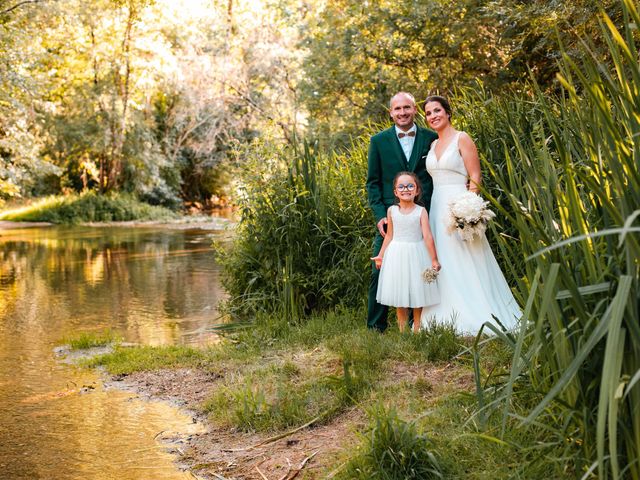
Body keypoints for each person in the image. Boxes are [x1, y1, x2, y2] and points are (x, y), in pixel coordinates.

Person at [420, 95, 521, 333]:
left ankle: (478, 310)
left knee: (467, 256)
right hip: (437, 205)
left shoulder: (461, 138)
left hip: (459, 204)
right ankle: (444, 313)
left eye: (437, 110)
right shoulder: (433, 146)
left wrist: (468, 207)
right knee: (443, 257)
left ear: (447, 112)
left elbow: (475, 175)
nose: (433, 116)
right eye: (428, 113)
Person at [366, 92, 438, 332]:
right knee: (380, 268)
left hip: (425, 214)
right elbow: (372, 182)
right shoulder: (378, 141)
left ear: (415, 109)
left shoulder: (431, 137)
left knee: (421, 268)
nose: (402, 113)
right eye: (397, 109)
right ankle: (376, 327)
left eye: (407, 107)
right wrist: (380, 215)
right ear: (391, 113)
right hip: (392, 218)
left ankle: (418, 324)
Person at [371, 172, 441, 333]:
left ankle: (417, 328)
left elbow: (427, 236)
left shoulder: (421, 211)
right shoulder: (391, 211)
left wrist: (434, 259)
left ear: (417, 191)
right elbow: (389, 236)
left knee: (418, 291)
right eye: (401, 187)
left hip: (417, 253)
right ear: (395, 192)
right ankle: (403, 330)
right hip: (396, 254)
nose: (406, 189)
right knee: (399, 293)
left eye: (410, 186)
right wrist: (381, 255)